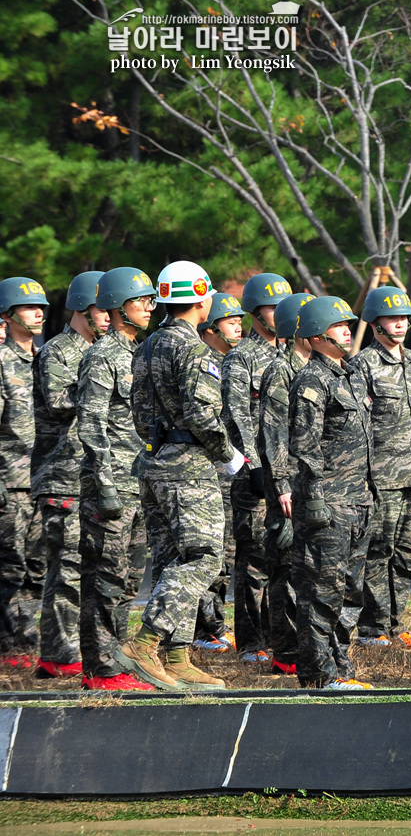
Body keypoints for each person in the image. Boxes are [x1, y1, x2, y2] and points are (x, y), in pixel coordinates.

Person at [115, 261, 235, 691]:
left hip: (155, 462)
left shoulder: (146, 347)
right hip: (189, 467)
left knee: (172, 565)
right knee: (203, 559)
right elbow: (204, 415)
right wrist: (227, 454)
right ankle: (145, 642)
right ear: (202, 298)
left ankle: (177, 657)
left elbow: (139, 414)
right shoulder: (195, 350)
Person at [77, 267, 157, 691]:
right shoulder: (101, 356)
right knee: (104, 578)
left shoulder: (140, 353)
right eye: (141, 299)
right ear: (119, 307)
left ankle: (117, 660)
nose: (149, 306)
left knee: (128, 580)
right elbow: (90, 423)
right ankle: (100, 669)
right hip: (110, 488)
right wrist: (105, 484)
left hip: (139, 483)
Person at [288, 296, 373, 690]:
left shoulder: (349, 375)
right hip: (329, 504)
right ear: (320, 336)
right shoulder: (311, 380)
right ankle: (319, 674)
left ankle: (340, 664)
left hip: (359, 501)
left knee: (350, 591)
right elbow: (305, 447)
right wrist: (316, 497)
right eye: (341, 326)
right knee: (322, 590)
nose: (347, 332)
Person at [350, 286, 411, 650]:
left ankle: (396, 623)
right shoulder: (362, 365)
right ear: (375, 324)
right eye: (392, 318)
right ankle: (373, 628)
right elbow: (357, 426)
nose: (400, 324)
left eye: (404, 318)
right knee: (378, 552)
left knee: (405, 554)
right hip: (381, 479)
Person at [32, 271, 106, 679]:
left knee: (96, 569)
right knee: (67, 568)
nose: (109, 317)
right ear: (80, 307)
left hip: (95, 476)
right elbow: (61, 404)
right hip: (64, 474)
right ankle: (59, 655)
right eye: (101, 309)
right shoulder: (59, 351)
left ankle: (83, 647)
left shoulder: (107, 351)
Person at [221, 272, 293, 664]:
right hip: (254, 474)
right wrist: (250, 463)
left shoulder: (290, 354)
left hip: (285, 473)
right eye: (272, 308)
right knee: (251, 560)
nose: (280, 315)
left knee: (282, 558)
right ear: (253, 312)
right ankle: (250, 642)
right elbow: (235, 415)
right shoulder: (241, 357)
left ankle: (279, 634)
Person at [256, 292, 315, 677]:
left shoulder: (329, 369)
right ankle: (285, 650)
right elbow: (273, 433)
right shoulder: (281, 370)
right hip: (290, 484)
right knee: (286, 566)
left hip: (320, 484)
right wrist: (282, 483)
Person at [192, 292, 245, 654]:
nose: (239, 327)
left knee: (230, 553)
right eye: (231, 321)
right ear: (211, 329)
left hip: (233, 472)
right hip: (211, 472)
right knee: (212, 552)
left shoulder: (234, 363)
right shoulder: (203, 363)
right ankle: (205, 629)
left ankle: (216, 626)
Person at [0, 276, 48, 665]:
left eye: (42, 307)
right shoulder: (1, 362)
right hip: (10, 483)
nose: (38, 312)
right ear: (8, 314)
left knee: (39, 563)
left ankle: (27, 639)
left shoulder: (47, 359)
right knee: (10, 565)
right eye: (29, 306)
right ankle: (11, 644)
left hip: (44, 479)